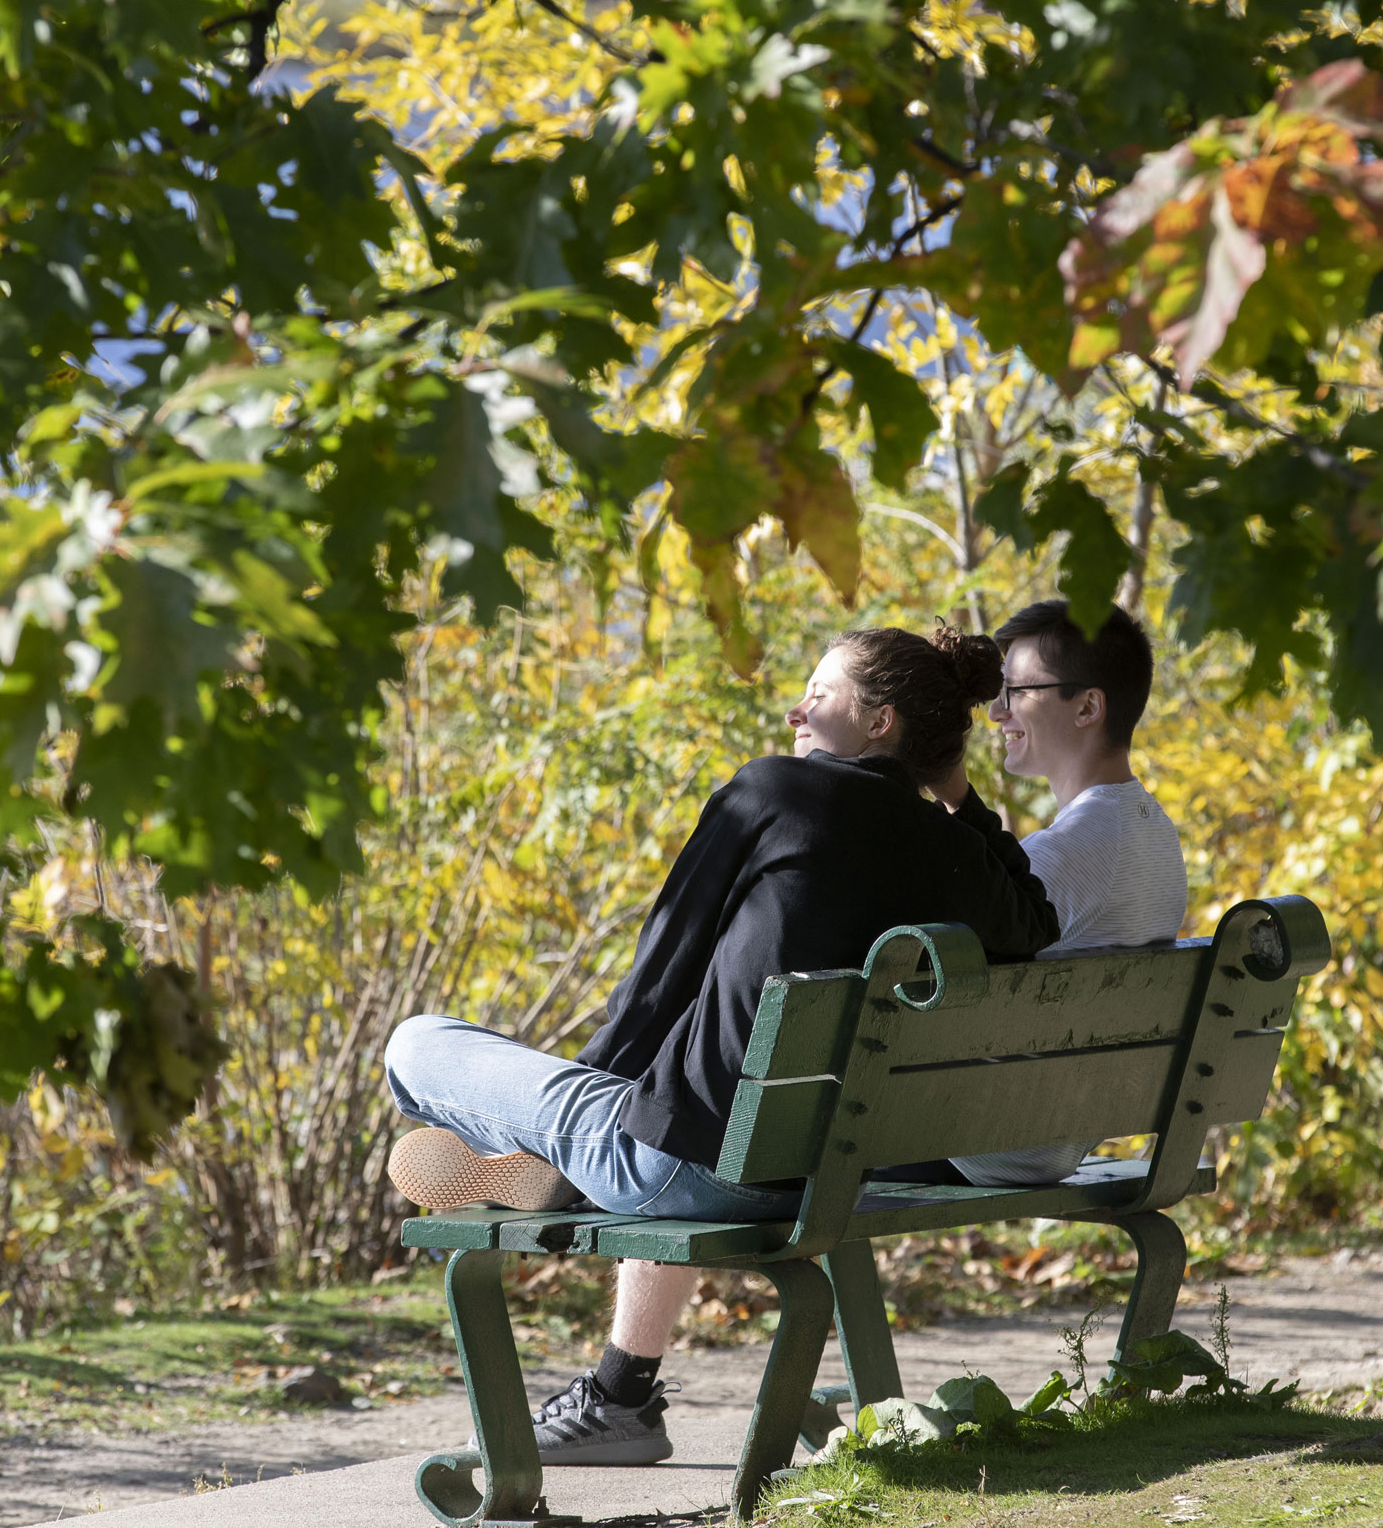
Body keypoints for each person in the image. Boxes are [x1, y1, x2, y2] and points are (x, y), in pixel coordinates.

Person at [381, 623, 1057, 1464]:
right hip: (831, 1180)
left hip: (683, 1164)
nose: (793, 710)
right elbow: (1037, 921)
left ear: (879, 720)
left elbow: (659, 977)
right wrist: (954, 790)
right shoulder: (952, 849)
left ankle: (551, 1157)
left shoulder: (776, 791)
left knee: (415, 1043)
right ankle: (559, 1161)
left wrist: (584, 1114)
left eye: (819, 692)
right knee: (660, 1088)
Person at [938, 597, 1186, 1186]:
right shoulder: (1153, 832)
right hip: (1059, 1127)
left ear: (1087, 707)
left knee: (710, 1142)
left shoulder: (1074, 849)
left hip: (990, 1137)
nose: (996, 713)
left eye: (1016, 691)